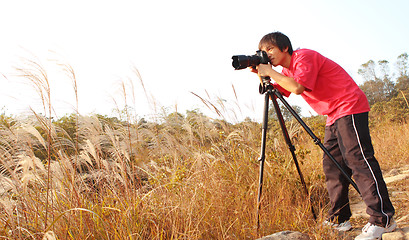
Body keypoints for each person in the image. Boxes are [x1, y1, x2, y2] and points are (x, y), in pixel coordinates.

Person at [252, 31, 396, 240]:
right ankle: (340, 219)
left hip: (349, 106)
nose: (267, 54)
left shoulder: (304, 57)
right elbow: (280, 90)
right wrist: (261, 73)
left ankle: (383, 219)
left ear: (284, 48)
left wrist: (272, 72)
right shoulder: (285, 70)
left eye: (270, 49)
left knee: (359, 161)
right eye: (263, 52)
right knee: (332, 166)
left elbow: (297, 87)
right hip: (333, 115)